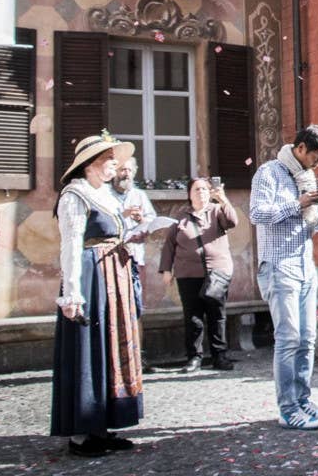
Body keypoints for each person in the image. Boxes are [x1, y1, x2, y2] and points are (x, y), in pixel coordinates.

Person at [50, 132, 143, 458]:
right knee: (89, 350)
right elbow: (71, 247)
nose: (113, 167)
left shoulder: (104, 194)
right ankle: (81, 434)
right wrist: (72, 294)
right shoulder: (74, 196)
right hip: (91, 277)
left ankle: (105, 425)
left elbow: (114, 233)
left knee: (111, 349)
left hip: (113, 275)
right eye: (108, 161)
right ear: (90, 164)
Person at [250, 124, 318, 430]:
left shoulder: (307, 177)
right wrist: (299, 203)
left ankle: (303, 400)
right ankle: (287, 409)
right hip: (278, 266)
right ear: (301, 147)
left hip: (304, 265)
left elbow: (311, 226)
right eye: (316, 154)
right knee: (288, 340)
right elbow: (258, 214)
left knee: (308, 339)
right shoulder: (269, 172)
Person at [159, 177, 239, 373]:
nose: (201, 192)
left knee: (217, 315)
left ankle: (220, 356)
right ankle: (194, 357)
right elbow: (169, 245)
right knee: (193, 317)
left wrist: (223, 200)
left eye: (204, 189)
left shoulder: (217, 211)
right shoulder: (181, 217)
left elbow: (232, 222)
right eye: (196, 189)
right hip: (188, 274)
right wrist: (166, 270)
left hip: (216, 273)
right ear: (189, 194)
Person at [110, 157, 156, 319]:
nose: (126, 174)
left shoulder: (139, 195)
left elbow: (151, 221)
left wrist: (141, 219)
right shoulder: (105, 194)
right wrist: (125, 214)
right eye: (123, 170)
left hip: (135, 256)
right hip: (111, 256)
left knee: (135, 304)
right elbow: (104, 222)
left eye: (130, 170)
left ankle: (136, 344)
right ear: (114, 172)